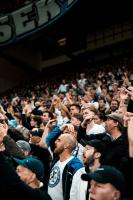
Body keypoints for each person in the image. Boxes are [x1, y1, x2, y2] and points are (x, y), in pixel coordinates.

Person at [47, 133, 83, 200]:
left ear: (66, 145)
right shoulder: (56, 160)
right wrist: (60, 129)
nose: (55, 142)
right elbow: (48, 141)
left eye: (59, 140)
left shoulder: (76, 166)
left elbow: (77, 195)